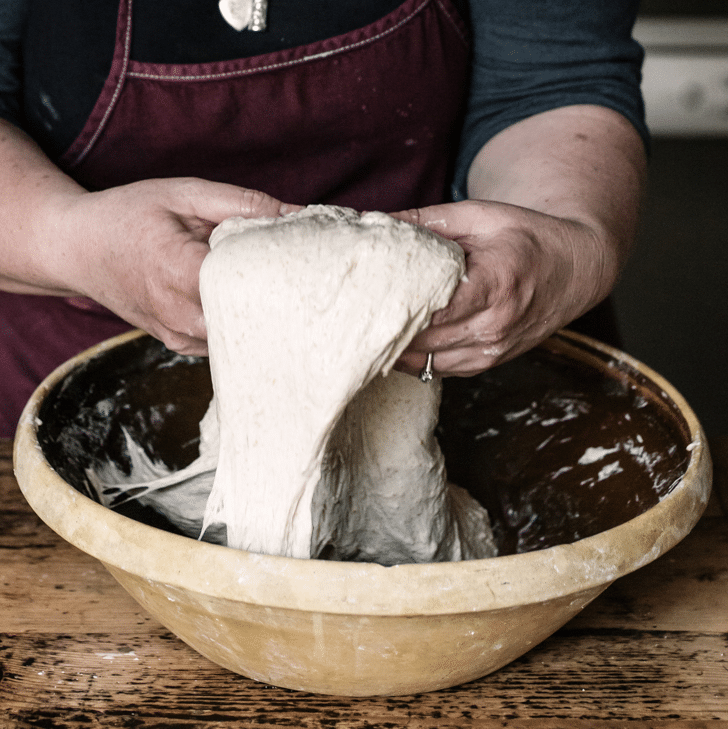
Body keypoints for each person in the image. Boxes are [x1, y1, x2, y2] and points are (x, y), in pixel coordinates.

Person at [0, 0, 648, 438]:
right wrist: (67, 236)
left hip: (468, 361)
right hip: (74, 371)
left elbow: (554, 79)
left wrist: (564, 243)